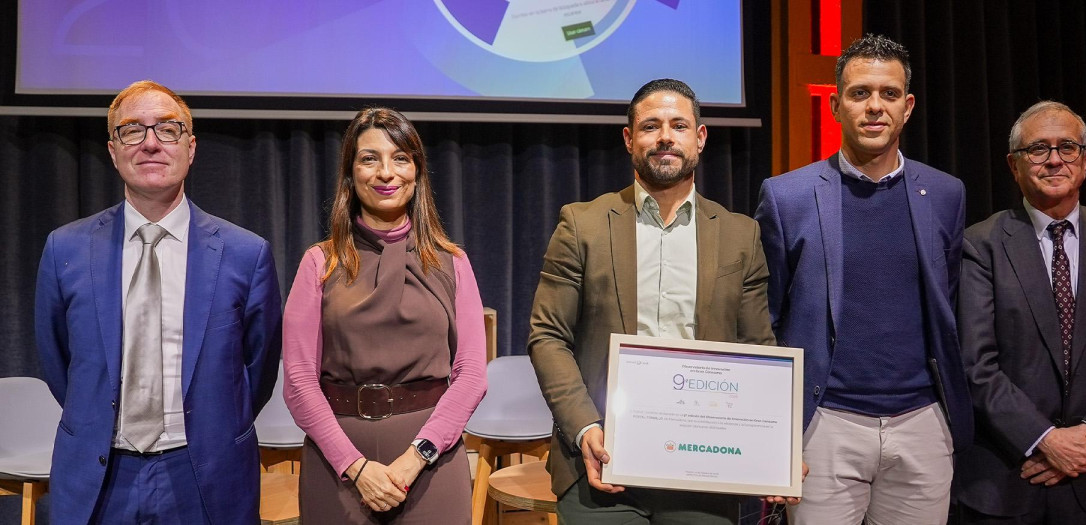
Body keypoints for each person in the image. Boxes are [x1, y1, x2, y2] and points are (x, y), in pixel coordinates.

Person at [528, 78, 801, 524]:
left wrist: (775, 450)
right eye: (651, 126)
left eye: (678, 125)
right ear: (629, 138)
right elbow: (547, 336)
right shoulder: (582, 224)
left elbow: (758, 350)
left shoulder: (739, 235)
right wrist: (584, 428)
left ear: (701, 136)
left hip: (705, 469)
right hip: (600, 462)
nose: (665, 137)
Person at [34, 80, 283, 524]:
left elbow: (256, 371)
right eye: (132, 130)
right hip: (100, 473)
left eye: (168, 130)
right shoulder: (65, 249)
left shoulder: (245, 254)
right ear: (113, 151)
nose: (151, 143)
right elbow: (59, 362)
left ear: (191, 147)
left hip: (201, 474)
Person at [754, 34, 972, 524]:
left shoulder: (945, 193)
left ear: (908, 106)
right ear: (835, 105)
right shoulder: (786, 196)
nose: (875, 107)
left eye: (889, 94)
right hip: (824, 425)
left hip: (923, 424)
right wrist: (773, 434)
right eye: (860, 93)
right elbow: (764, 321)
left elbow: (949, 304)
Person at [955, 101, 1086, 524]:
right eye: (1037, 149)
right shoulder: (980, 245)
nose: (1054, 159)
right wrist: (1044, 439)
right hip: (1007, 480)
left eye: (1067, 147)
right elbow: (975, 364)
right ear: (1014, 166)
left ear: (1085, 161)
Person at [282, 107, 487, 523]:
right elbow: (299, 382)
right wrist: (354, 467)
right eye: (369, 158)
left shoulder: (452, 262)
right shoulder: (319, 263)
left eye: (400, 158)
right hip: (337, 460)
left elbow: (471, 375)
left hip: (431, 460)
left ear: (417, 171)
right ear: (351, 173)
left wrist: (418, 456)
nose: (386, 173)